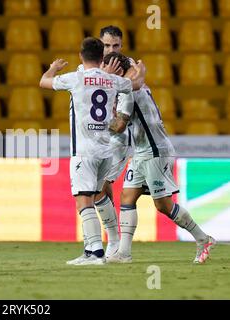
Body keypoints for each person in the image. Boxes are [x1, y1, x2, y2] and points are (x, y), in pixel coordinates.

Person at [39, 37, 146, 265]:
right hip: (106, 151)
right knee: (95, 196)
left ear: (80, 56)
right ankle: (92, 250)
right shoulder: (112, 80)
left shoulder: (75, 79)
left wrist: (52, 69)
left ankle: (96, 252)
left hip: (84, 151)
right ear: (101, 58)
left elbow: (43, 82)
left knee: (83, 200)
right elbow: (136, 85)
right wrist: (140, 70)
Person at [106, 53, 216, 264]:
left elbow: (120, 126)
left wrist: (99, 126)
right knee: (127, 197)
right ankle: (124, 254)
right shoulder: (131, 83)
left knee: (163, 205)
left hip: (155, 151)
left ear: (117, 70)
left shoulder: (127, 89)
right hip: (141, 151)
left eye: (107, 69)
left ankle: (203, 239)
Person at [72, 25, 134, 260]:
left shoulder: (125, 70)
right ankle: (105, 243)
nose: (111, 50)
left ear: (121, 45)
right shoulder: (85, 69)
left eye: (115, 46)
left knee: (97, 191)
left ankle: (110, 242)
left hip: (115, 141)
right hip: (90, 141)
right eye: (107, 45)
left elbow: (121, 122)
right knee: (96, 192)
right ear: (100, 45)